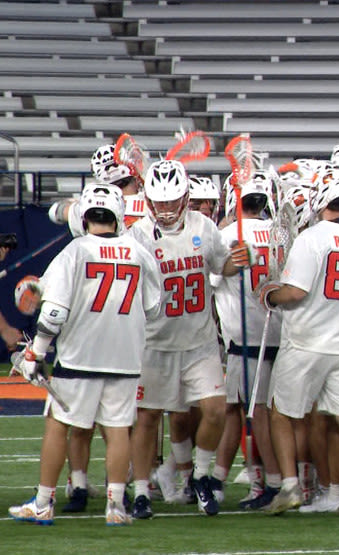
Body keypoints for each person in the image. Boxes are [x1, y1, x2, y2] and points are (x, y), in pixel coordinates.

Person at [8, 184, 162, 526]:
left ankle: (44, 502)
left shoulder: (76, 251)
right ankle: (116, 507)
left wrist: (36, 353)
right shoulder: (139, 252)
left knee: (58, 425)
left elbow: (53, 314)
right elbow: (154, 308)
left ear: (85, 215)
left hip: (79, 357)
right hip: (125, 357)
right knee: (119, 429)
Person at [128, 160, 251, 519]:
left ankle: (200, 475)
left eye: (171, 201)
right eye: (159, 202)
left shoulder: (204, 226)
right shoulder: (137, 236)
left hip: (199, 339)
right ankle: (140, 492)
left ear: (185, 197)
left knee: (214, 410)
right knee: (148, 417)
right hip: (155, 342)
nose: (165, 209)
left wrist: (238, 261)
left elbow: (220, 266)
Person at [260, 171, 339, 518]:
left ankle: (290, 487)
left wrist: (270, 294)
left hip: (307, 340)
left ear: (323, 200)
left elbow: (296, 291)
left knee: (281, 414)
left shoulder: (312, 237)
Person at [210, 170, 284, 510]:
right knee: (249, 412)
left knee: (257, 415)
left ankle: (272, 482)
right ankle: (231, 478)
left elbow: (211, 281)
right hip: (280, 336)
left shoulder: (225, 236)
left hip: (245, 338)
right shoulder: (279, 234)